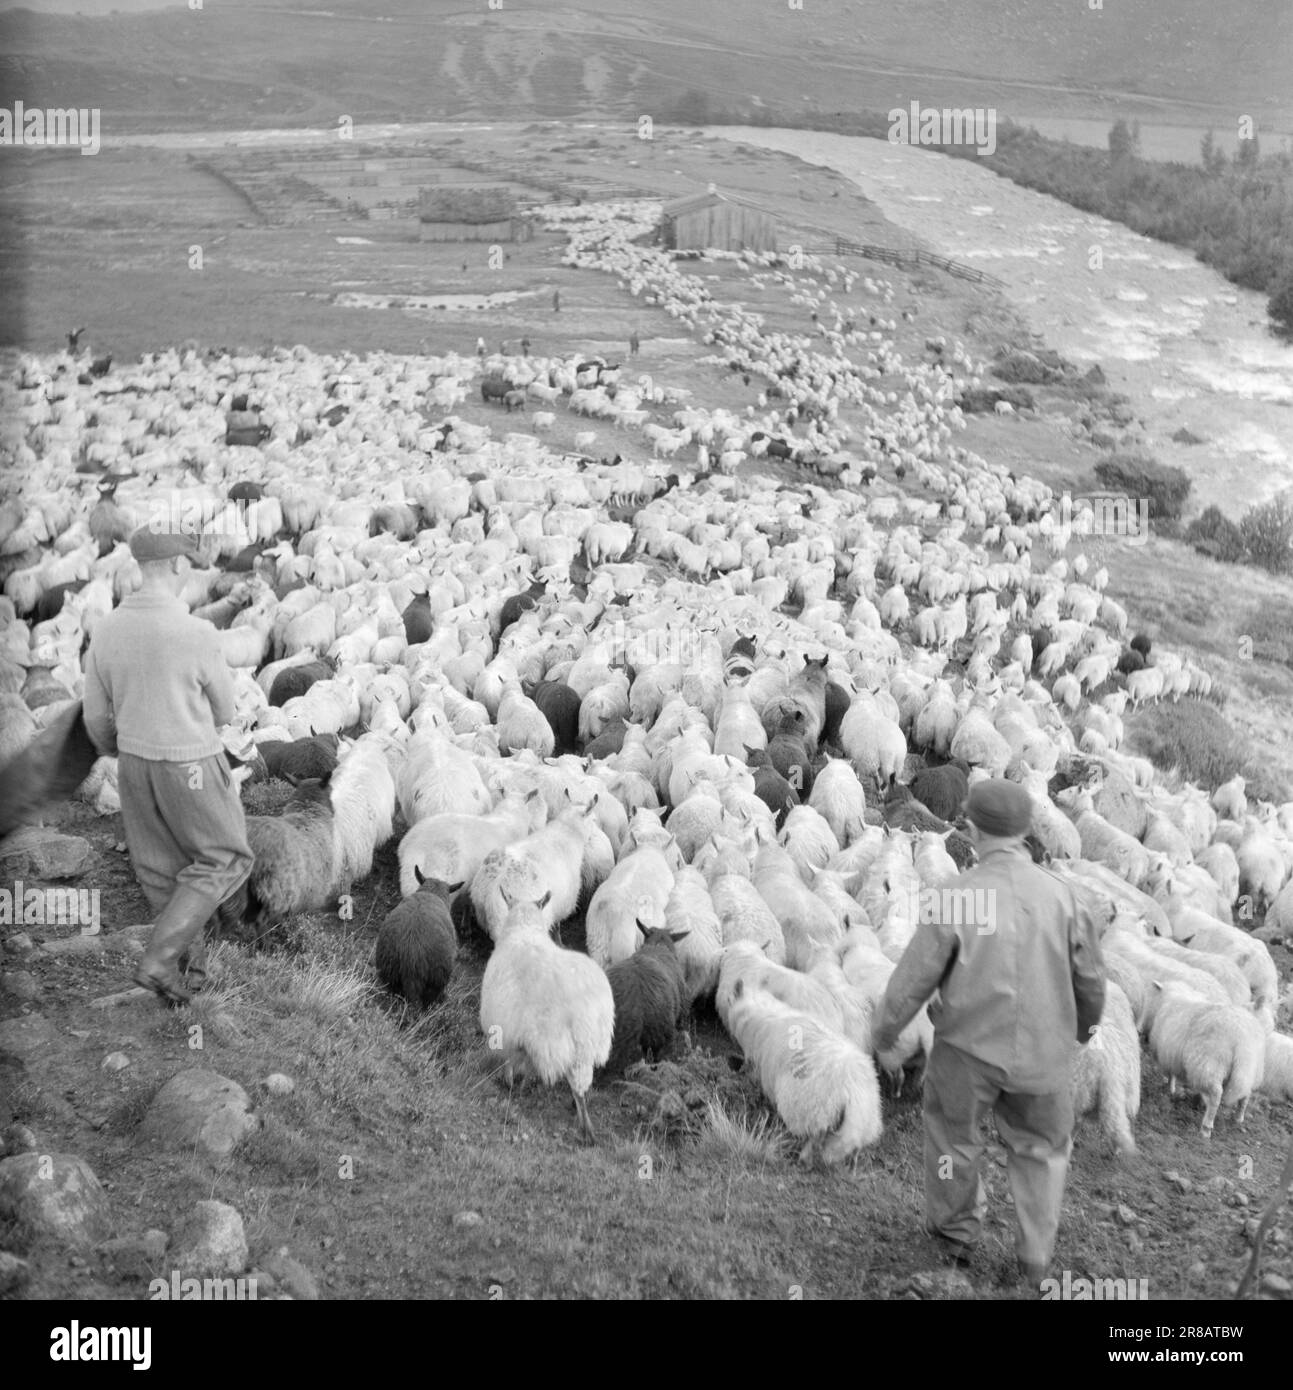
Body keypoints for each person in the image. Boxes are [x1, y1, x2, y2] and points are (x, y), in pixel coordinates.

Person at [871, 778, 1105, 1287]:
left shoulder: (958, 896)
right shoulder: (1064, 898)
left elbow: (915, 976)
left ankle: (954, 1239)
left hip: (966, 1051)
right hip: (1044, 1056)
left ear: (973, 830)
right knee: (1041, 1150)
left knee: (952, 1138)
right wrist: (1084, 1028)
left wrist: (886, 1029)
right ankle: (1034, 1261)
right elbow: (1090, 978)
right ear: (1026, 832)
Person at [82, 523, 253, 1005]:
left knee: (160, 870)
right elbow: (225, 712)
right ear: (180, 564)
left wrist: (128, 747)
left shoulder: (107, 629)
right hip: (191, 764)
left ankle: (186, 974)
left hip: (133, 765)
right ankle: (159, 961)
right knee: (224, 857)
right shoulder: (196, 631)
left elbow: (96, 719)